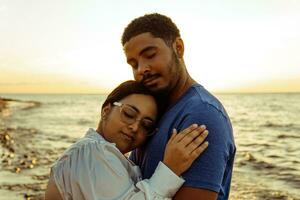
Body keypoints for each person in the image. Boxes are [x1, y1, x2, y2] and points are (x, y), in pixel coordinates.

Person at [121, 13, 236, 200]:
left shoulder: (202, 115)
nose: (142, 69)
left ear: (178, 48)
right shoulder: (152, 114)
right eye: (134, 64)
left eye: (150, 55)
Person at [45, 80, 209, 200]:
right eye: (129, 114)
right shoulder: (91, 151)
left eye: (146, 125)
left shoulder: (105, 156)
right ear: (106, 110)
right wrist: (170, 169)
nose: (135, 127)